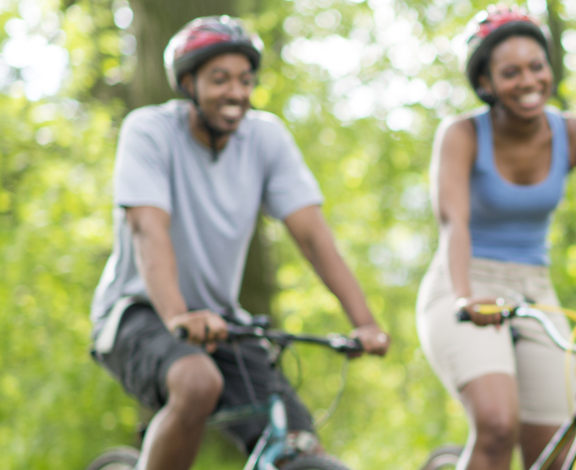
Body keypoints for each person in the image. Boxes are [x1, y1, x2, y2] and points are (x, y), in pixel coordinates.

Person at [87, 15, 390, 469]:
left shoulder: (265, 138)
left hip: (225, 323)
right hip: (139, 312)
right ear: (188, 83)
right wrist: (178, 316)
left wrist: (364, 322)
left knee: (296, 442)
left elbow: (312, 235)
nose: (236, 92)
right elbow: (149, 232)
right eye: (220, 79)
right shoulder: (148, 131)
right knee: (196, 382)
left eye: (245, 81)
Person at [415, 6, 576, 470]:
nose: (528, 81)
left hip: (536, 290)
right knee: (497, 425)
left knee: (556, 450)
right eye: (510, 72)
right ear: (486, 83)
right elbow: (453, 222)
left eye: (537, 67)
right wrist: (465, 296)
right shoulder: (461, 135)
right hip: (464, 282)